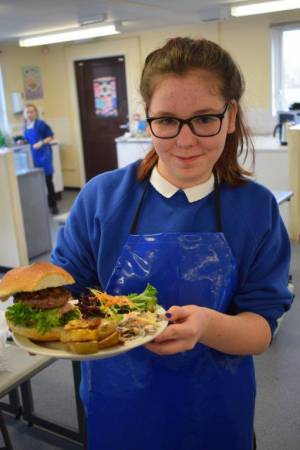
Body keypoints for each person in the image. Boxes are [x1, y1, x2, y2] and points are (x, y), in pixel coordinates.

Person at [51, 37, 292, 450]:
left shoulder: (256, 209)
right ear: (147, 118)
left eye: (203, 119)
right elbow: (63, 295)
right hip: (118, 408)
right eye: (166, 120)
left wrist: (208, 326)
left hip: (215, 410)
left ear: (230, 115)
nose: (185, 141)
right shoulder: (102, 198)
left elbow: (260, 331)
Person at [22, 104, 59, 215]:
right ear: (24, 114)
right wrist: (23, 142)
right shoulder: (25, 126)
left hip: (44, 155)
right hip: (33, 156)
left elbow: (51, 136)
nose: (29, 114)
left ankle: (53, 206)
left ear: (36, 113)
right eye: (27, 112)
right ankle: (41, 206)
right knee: (37, 182)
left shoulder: (40, 124)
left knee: (48, 181)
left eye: (31, 112)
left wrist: (41, 142)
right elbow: (28, 140)